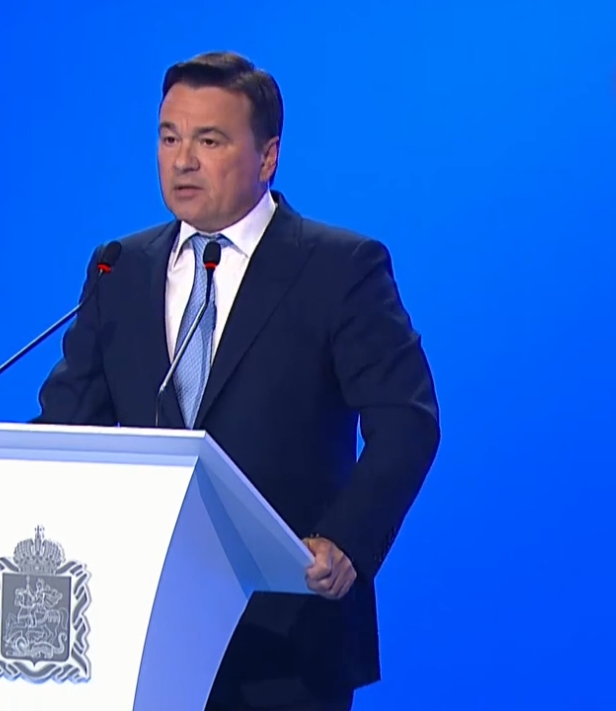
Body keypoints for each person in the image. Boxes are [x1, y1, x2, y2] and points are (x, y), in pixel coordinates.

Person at [33, 51, 441, 711]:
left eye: (209, 141)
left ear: (267, 156)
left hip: (286, 632)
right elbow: (68, 425)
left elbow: (406, 421)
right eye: (169, 138)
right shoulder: (120, 267)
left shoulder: (339, 267)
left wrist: (345, 540)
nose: (182, 161)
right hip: (144, 631)